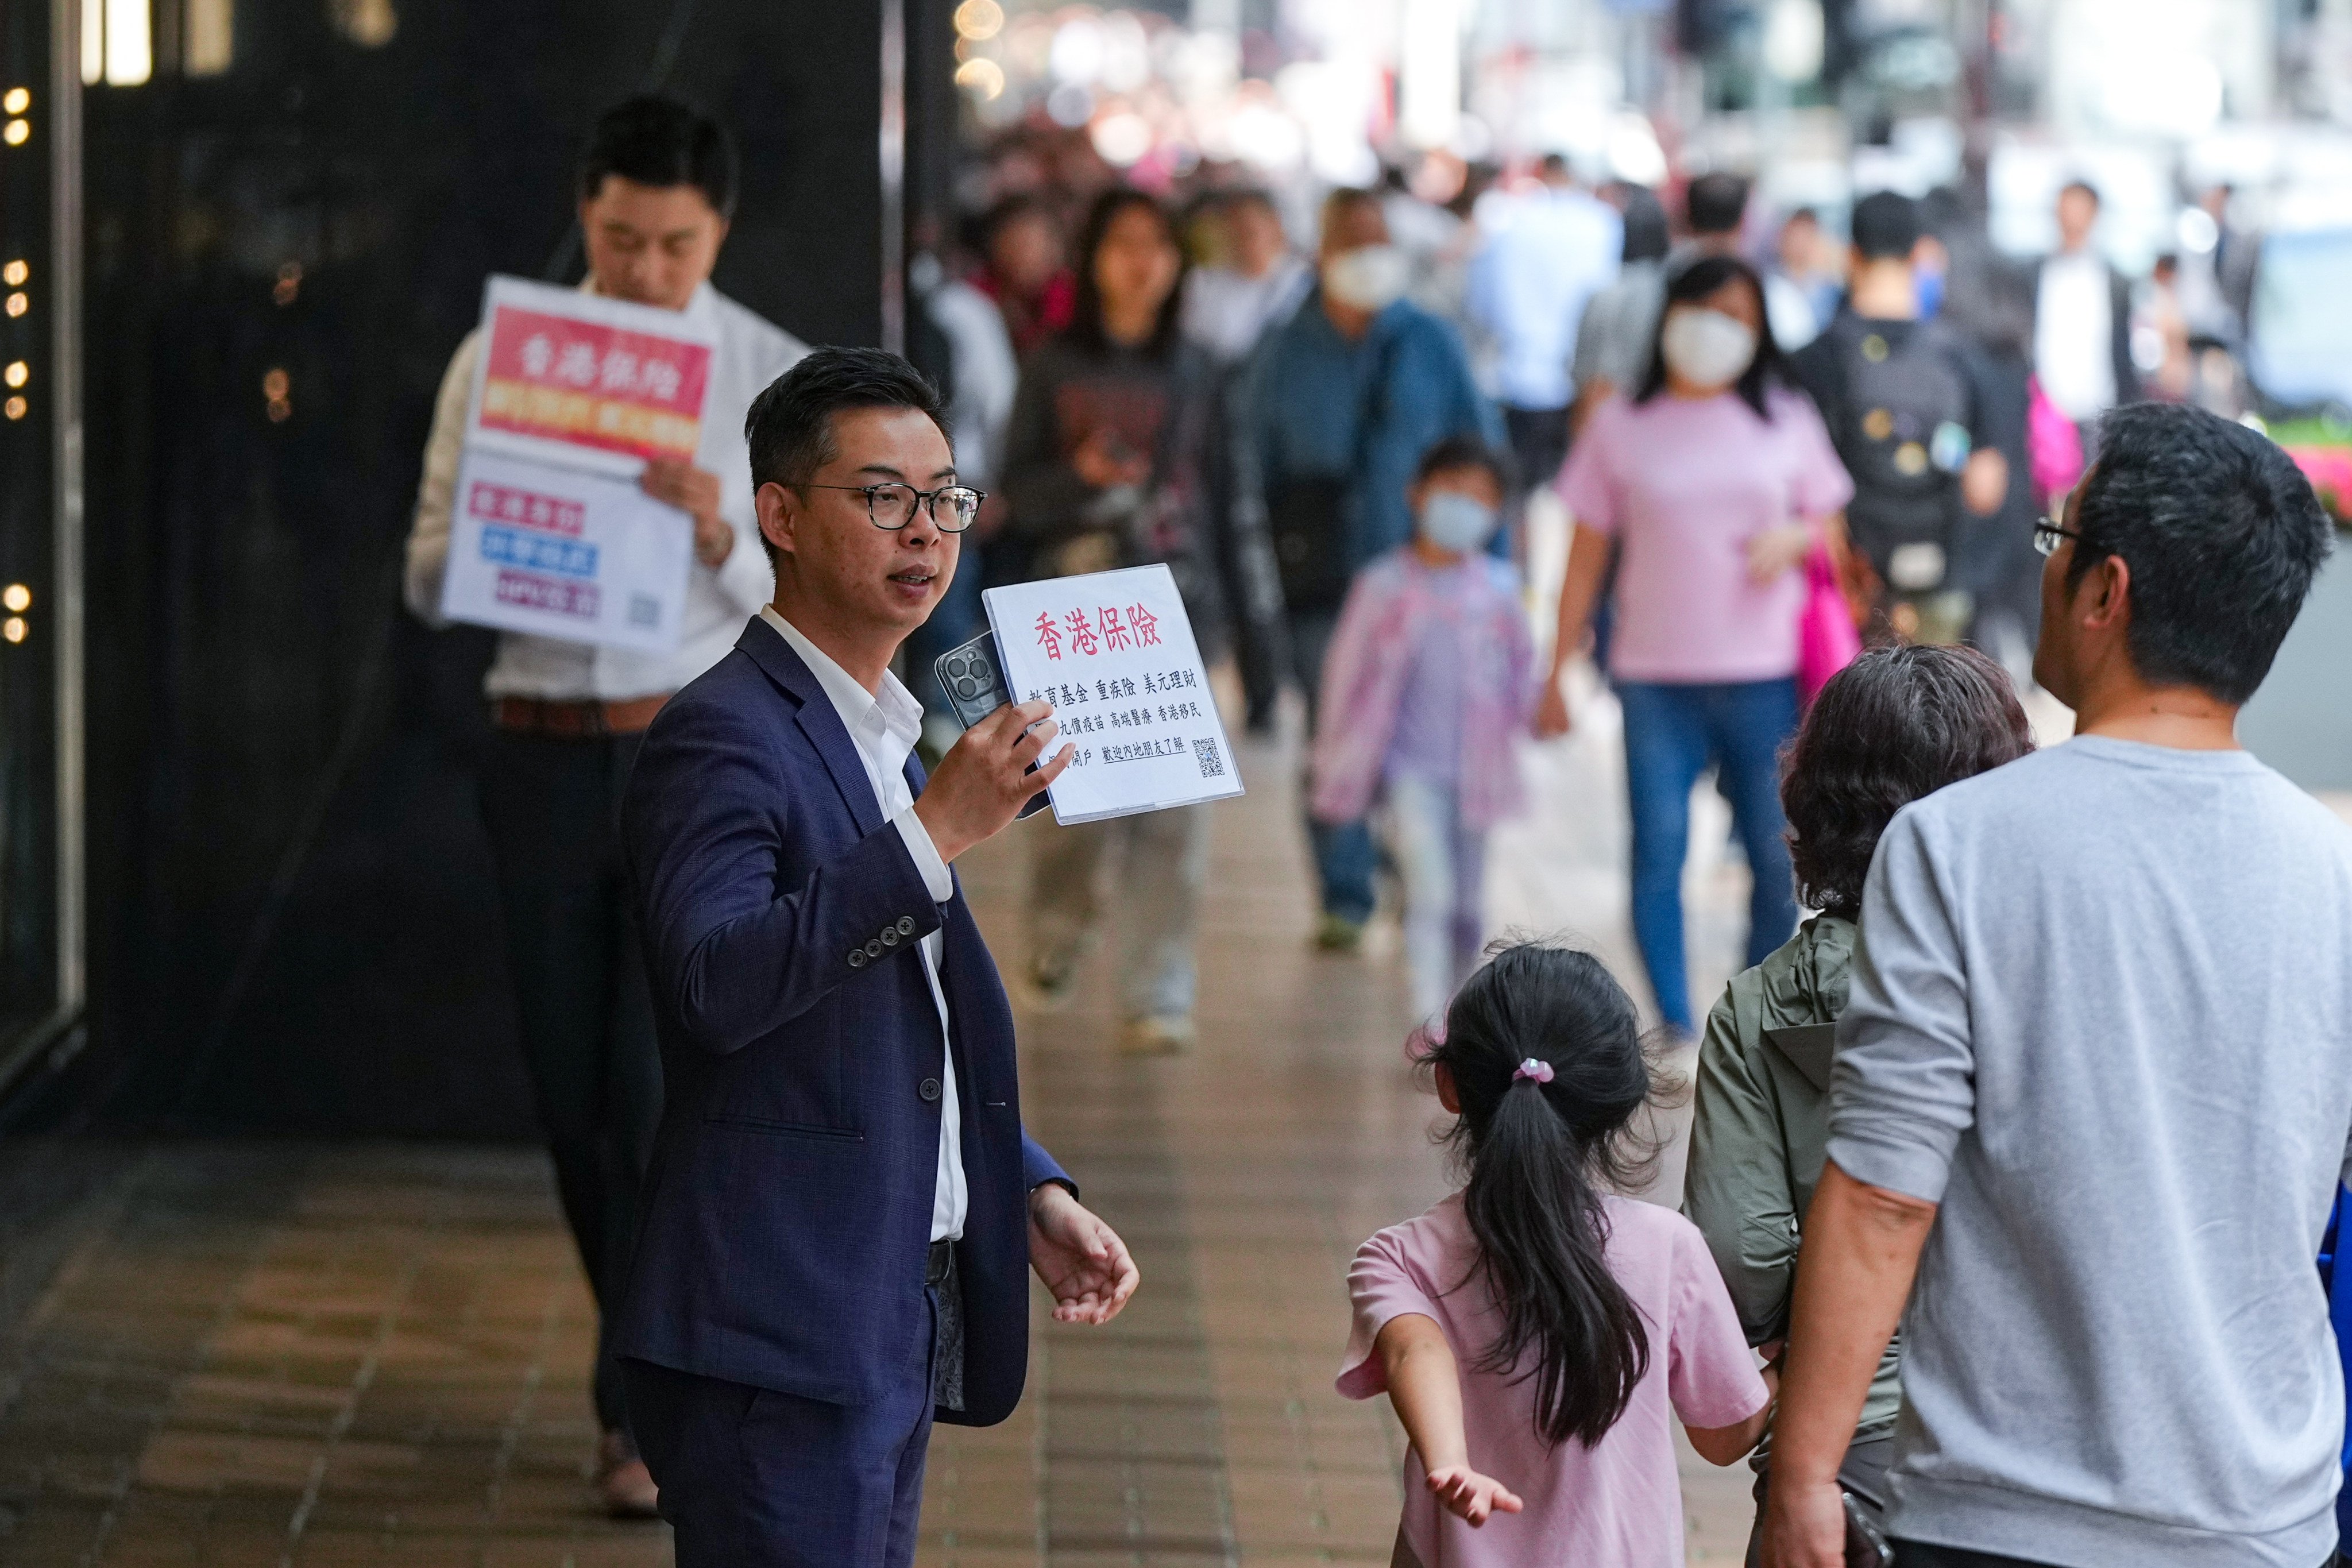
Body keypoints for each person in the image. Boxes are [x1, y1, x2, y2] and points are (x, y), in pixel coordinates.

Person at [1762, 402, 2348, 1568]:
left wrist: (1805, 1477)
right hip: (2266, 1520)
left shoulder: (1955, 846)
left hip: (1998, 1515)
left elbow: (1884, 1197)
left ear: (2104, 592)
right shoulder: (2329, 869)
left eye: (2054, 541)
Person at [615, 347, 1140, 1566]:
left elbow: (905, 1030)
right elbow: (715, 987)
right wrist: (937, 833)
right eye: (882, 497)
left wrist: (1022, 1188)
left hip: (882, 1307)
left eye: (943, 498)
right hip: (772, 1327)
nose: (926, 532)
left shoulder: (883, 733)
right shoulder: (719, 734)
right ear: (780, 516)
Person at [400, 95, 805, 1516]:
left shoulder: (769, 374)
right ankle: (639, 1355)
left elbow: (823, 603)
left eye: (675, 246)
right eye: (621, 239)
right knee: (572, 1092)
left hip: (695, 758)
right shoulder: (502, 361)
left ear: (720, 232)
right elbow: (426, 567)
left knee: (652, 1090)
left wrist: (715, 529)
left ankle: (640, 1402)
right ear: (585, 213)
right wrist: (536, 502)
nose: (644, 272)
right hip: (540, 750)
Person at [1681, 644, 2035, 1567]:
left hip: (1843, 1456)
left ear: (1813, 805)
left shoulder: (1759, 1008)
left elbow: (1737, 1252)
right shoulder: (2046, 973)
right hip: (2040, 1444)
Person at [1339, 943, 1775, 1568]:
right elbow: (1725, 1433)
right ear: (1621, 1098)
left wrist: (1449, 1462)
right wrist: (1796, 1365)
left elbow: (1415, 1348)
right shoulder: (1667, 1247)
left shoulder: (1399, 1256)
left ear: (1449, 1085)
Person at [1538, 254, 1852, 1036]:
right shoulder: (1619, 422)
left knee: (1771, 853)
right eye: (1702, 310)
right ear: (1668, 317)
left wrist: (1800, 535)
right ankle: (1675, 1019)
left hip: (1764, 675)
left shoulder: (1786, 418)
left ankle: (1749, 1007)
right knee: (1657, 851)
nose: (1716, 330)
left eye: (1736, 316)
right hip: (1651, 677)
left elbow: (1837, 545)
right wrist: (1554, 667)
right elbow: (1582, 555)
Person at [997, 189, 1265, 1053]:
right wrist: (1078, 476)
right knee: (1070, 806)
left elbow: (1224, 507)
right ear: (1093, 258)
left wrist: (1236, 643)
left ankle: (1157, 991)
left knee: (1172, 815)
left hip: (1172, 614)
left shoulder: (1199, 369)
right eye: (1121, 244)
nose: (1139, 262)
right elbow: (1014, 498)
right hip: (1068, 614)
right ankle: (1055, 941)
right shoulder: (1050, 366)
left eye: (1156, 246)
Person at [1236, 186, 1502, 952]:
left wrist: (1494, 566)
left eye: (1376, 238)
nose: (1365, 255)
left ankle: (1408, 869)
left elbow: (1478, 449)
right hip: (1320, 582)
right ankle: (1345, 890)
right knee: (1334, 730)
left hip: (1426, 579)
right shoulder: (1283, 348)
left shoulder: (1429, 340)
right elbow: (1249, 461)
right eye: (1348, 239)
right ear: (1319, 251)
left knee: (1420, 734)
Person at [1308, 437, 1536, 1022]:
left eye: (1482, 498)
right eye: (1453, 491)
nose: (1465, 507)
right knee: (1428, 891)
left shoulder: (1501, 592)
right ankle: (1430, 1020)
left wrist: (1538, 716)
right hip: (1409, 771)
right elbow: (1345, 672)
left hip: (1478, 773)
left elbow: (1522, 674)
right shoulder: (1382, 586)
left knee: (1466, 904)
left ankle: (1464, 1014)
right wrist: (1333, 752)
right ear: (1417, 495)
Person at [1788, 191, 2009, 646]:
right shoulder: (1963, 359)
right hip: (1940, 582)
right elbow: (1986, 491)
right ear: (1920, 254)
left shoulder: (1814, 359)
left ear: (1850, 255)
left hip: (1848, 585)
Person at [1465, 153, 1622, 498]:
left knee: (1516, 495)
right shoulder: (1603, 224)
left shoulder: (1510, 223)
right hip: (1577, 382)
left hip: (1520, 378)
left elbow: (1481, 304)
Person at [2030, 180, 2138, 451]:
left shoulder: (2116, 282)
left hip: (2099, 417)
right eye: (2066, 213)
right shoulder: (2034, 276)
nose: (2072, 223)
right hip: (2045, 418)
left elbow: (2126, 354)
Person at [1180, 188, 1311, 366]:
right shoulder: (1204, 282)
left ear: (1275, 226)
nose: (1242, 241)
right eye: (1234, 232)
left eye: (1250, 231)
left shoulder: (1306, 283)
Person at [972, 193, 1075, 359]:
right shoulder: (973, 303)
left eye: (1040, 246)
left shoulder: (1075, 303)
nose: (1028, 257)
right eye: (1019, 244)